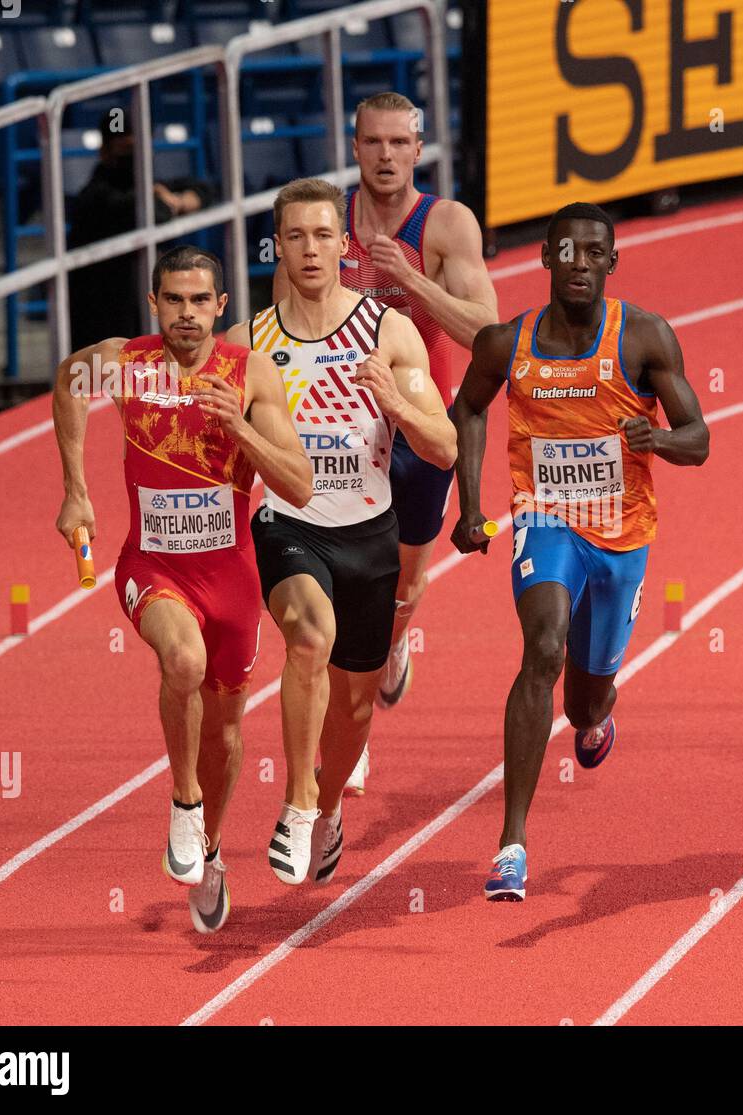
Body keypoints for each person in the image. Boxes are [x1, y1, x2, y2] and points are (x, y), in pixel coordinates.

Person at [450, 202, 709, 901]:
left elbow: (700, 438)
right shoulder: (508, 343)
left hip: (622, 532)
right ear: (545, 256)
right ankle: (512, 842)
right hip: (546, 517)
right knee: (542, 647)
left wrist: (658, 441)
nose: (581, 265)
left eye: (595, 254)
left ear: (612, 263)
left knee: (585, 700)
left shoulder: (645, 337)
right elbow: (468, 408)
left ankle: (596, 716)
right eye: (568, 252)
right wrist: (471, 505)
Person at [52, 246, 312, 932]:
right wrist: (75, 489)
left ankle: (212, 846)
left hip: (231, 578)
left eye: (200, 301)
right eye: (174, 300)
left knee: (227, 727)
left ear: (221, 306)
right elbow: (66, 381)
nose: (187, 314)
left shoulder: (250, 372)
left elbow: (300, 483)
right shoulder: (125, 361)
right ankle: (184, 802)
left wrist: (241, 428)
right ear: (154, 303)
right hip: (153, 567)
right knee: (183, 662)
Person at [274, 91, 498, 793]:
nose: (387, 156)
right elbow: (281, 321)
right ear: (355, 145)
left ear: (418, 147)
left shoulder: (446, 224)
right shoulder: (321, 225)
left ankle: (396, 641)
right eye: (374, 143)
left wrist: (408, 281)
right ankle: (351, 721)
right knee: (340, 585)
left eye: (401, 143)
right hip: (338, 427)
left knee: (403, 582)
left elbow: (485, 335)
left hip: (420, 419)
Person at [234, 178, 455, 886]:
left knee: (356, 705)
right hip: (290, 525)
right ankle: (298, 804)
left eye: (324, 235)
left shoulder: (386, 331)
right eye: (295, 236)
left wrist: (394, 400)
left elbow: (445, 445)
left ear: (343, 244)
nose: (310, 249)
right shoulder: (249, 343)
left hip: (370, 533)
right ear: (278, 246)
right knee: (306, 635)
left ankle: (327, 809)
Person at [68, 113, 217, 348]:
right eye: (125, 148)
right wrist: (169, 202)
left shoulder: (151, 186)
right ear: (105, 151)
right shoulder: (95, 196)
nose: (133, 157)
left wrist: (178, 200)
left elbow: (204, 189)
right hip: (103, 329)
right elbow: (149, 211)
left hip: (137, 317)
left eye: (139, 147)